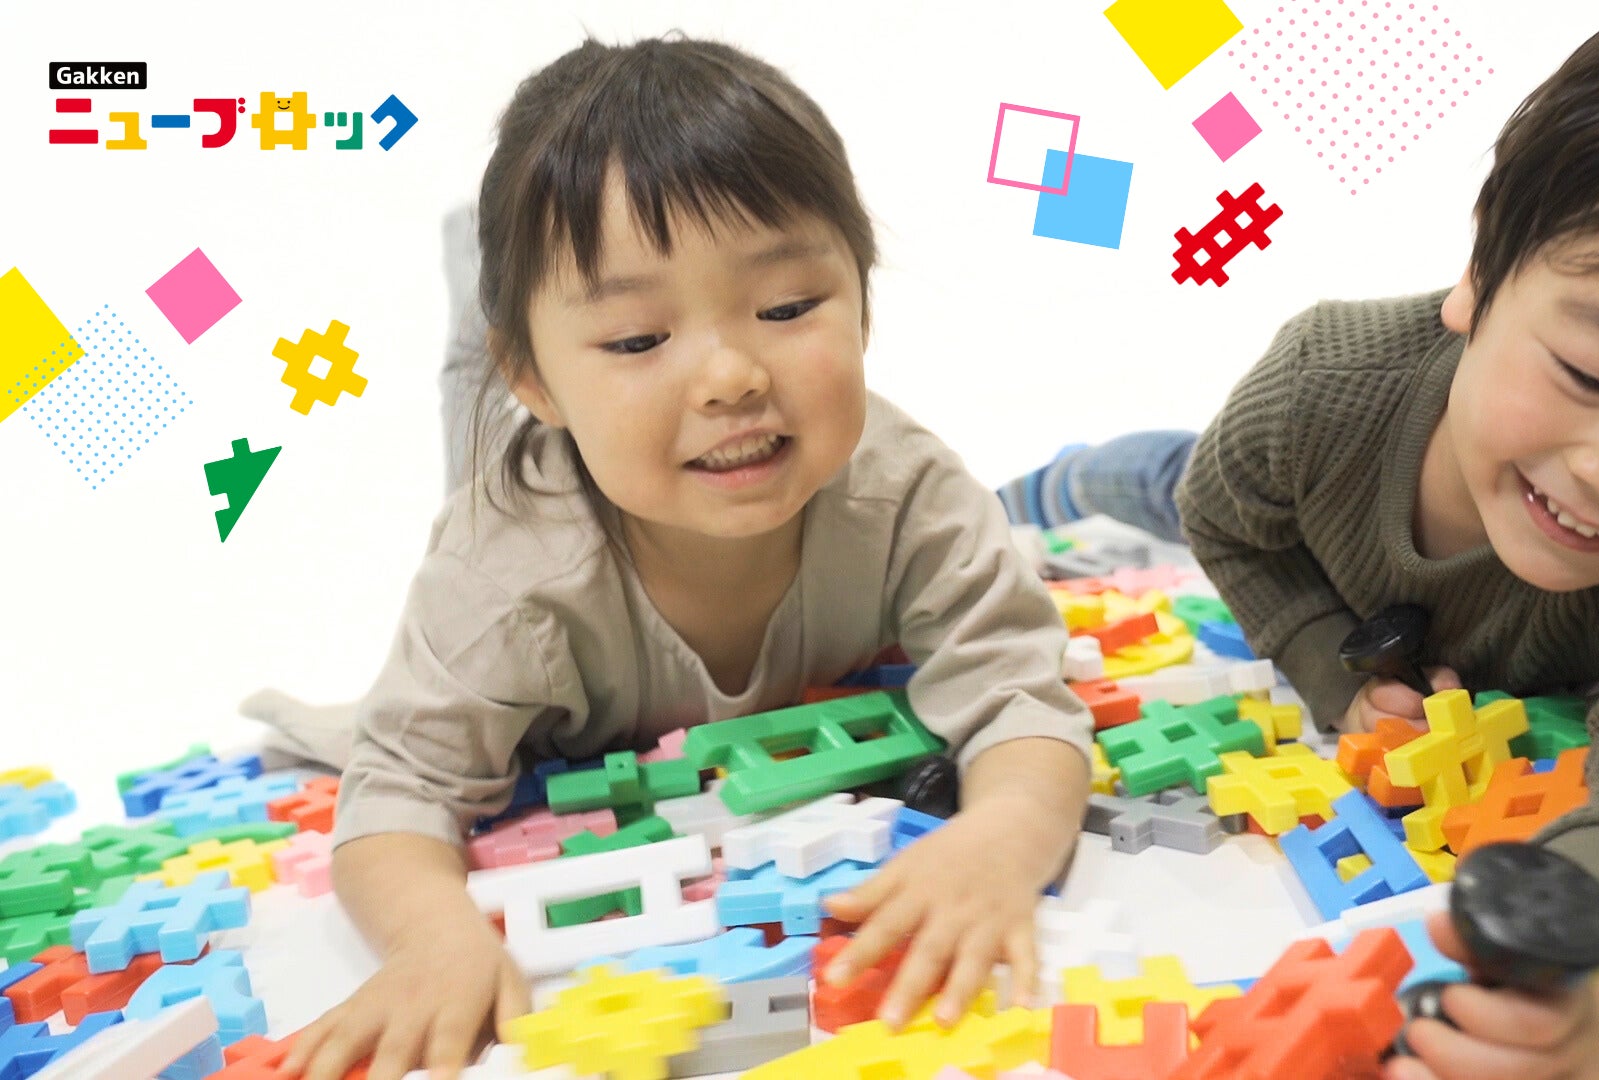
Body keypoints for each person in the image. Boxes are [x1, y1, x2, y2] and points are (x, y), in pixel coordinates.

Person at [999, 1, 1599, 1076]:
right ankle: (1060, 476)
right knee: (1165, 477)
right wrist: (1325, 665)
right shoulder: (1320, 387)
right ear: (1481, 271)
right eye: (1587, 374)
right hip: (1299, 504)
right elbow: (1226, 525)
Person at [257, 36, 1093, 1080]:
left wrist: (1006, 832)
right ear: (544, 381)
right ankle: (488, 285)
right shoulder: (505, 571)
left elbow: (1021, 695)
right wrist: (433, 939)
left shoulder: (904, 491)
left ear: (864, 300)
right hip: (549, 498)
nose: (732, 376)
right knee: (474, 408)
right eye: (637, 339)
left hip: (593, 444)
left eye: (787, 309)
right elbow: (399, 790)